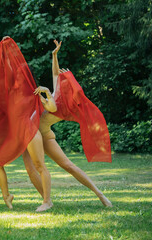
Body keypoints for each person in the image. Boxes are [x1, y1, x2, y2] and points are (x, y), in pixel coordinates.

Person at [30, 40, 112, 207]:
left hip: (42, 135)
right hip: (38, 133)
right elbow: (55, 74)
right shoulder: (58, 94)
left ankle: (99, 194)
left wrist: (45, 91)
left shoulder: (65, 108)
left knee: (67, 165)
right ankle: (47, 200)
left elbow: (51, 104)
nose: (61, 83)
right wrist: (54, 55)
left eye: (65, 83)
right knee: (36, 167)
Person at [0, 36, 57, 212]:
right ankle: (7, 195)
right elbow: (6, 66)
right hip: (16, 135)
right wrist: (6, 45)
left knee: (38, 167)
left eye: (22, 73)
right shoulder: (11, 90)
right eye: (18, 72)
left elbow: (52, 107)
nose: (18, 73)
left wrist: (46, 92)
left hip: (29, 132)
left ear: (28, 76)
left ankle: (47, 201)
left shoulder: (34, 93)